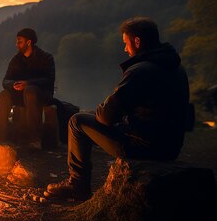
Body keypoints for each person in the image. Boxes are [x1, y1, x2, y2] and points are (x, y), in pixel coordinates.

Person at [44, 17, 190, 201]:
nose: (125, 49)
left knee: (77, 121)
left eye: (126, 43)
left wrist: (102, 110)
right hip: (171, 146)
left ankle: (77, 185)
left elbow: (105, 117)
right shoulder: (176, 68)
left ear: (137, 41)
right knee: (88, 115)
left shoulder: (140, 71)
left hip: (144, 147)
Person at [0, 28, 55, 145]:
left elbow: (49, 79)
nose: (16, 44)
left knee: (29, 91)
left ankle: (34, 139)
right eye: (17, 42)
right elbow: (5, 80)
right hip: (20, 95)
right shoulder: (16, 60)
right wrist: (13, 84)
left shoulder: (46, 58)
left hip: (41, 95)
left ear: (29, 42)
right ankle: (0, 136)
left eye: (19, 41)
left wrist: (28, 83)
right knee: (3, 95)